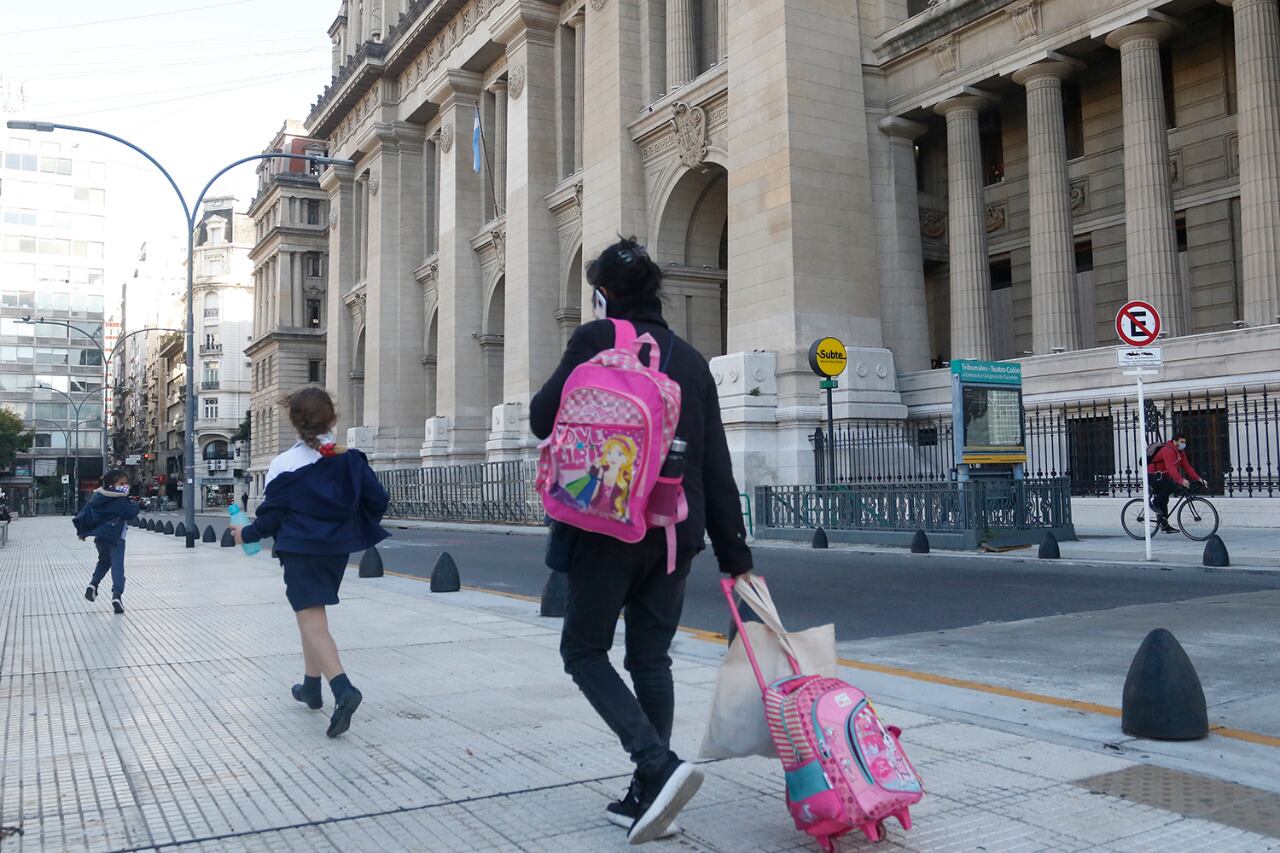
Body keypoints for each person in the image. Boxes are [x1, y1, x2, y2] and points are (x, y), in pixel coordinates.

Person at [530, 237, 753, 844]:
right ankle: (650, 797)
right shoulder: (693, 361)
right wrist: (736, 557)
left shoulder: (595, 339)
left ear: (603, 294)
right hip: (677, 530)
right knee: (651, 658)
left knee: (583, 651)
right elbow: (715, 465)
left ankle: (656, 764)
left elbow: (542, 417)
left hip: (604, 524)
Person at [229, 387, 389, 738]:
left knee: (312, 620)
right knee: (312, 615)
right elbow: (378, 500)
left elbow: (270, 519)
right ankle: (311, 687)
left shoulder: (284, 465)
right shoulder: (351, 460)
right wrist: (344, 525)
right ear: (332, 419)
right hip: (336, 552)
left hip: (301, 551)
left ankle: (343, 689)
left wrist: (244, 535)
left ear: (295, 423)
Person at [77, 470, 141, 614]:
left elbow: (85, 513)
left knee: (104, 561)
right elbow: (130, 513)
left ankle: (93, 585)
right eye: (121, 483)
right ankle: (117, 596)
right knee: (117, 567)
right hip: (116, 538)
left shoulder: (97, 497)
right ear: (112, 485)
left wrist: (82, 532)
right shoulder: (119, 499)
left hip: (100, 537)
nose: (125, 486)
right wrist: (134, 504)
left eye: (126, 483)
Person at [1148, 432, 1208, 533]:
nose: (1184, 444)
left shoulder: (1180, 452)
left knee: (1165, 499)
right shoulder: (1167, 450)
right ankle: (1154, 502)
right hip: (1153, 475)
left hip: (1162, 475)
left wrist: (1198, 479)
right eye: (1182, 442)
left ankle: (1164, 525)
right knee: (1170, 487)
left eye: (1185, 442)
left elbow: (1187, 467)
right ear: (1175, 441)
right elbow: (1170, 467)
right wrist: (1180, 480)